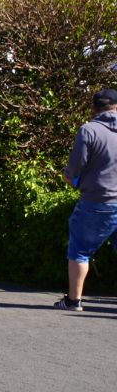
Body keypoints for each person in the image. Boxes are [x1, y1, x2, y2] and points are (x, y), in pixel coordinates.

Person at [58, 87, 117, 311]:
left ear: (94, 108)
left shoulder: (89, 130)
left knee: (80, 250)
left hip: (97, 200)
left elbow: (76, 166)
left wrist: (70, 177)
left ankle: (74, 300)